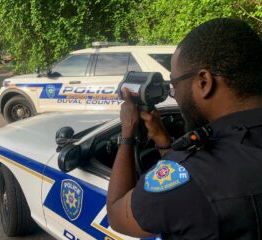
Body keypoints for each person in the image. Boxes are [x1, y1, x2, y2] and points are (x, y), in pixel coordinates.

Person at [106, 18, 262, 240]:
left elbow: (116, 214)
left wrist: (127, 133)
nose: (175, 94)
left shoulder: (189, 177)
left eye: (175, 84)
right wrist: (163, 140)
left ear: (204, 82)